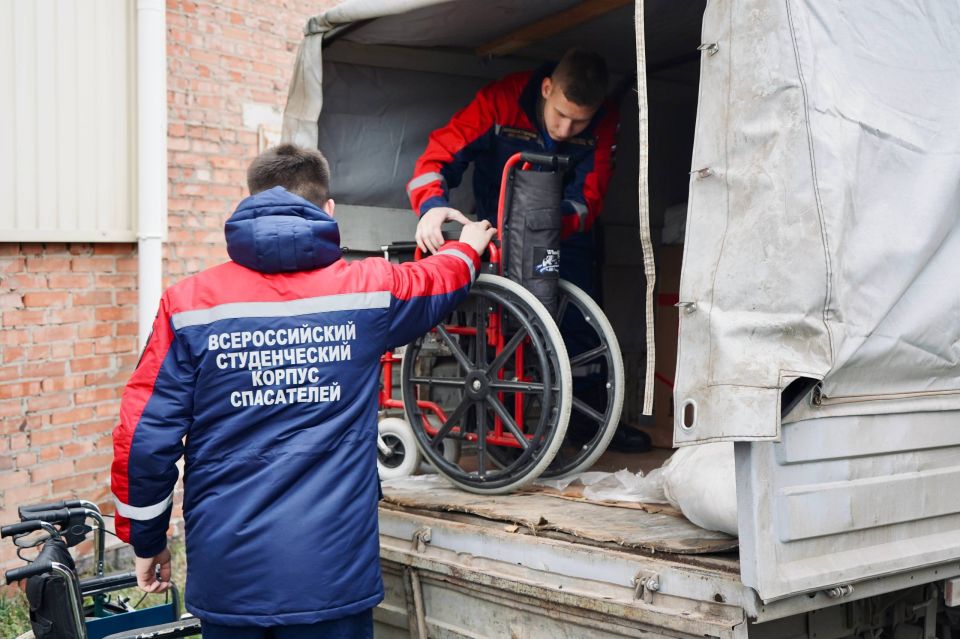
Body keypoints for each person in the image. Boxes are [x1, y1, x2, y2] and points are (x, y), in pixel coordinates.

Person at [111, 143, 495, 638]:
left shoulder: (188, 306)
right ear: (328, 210)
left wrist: (146, 539)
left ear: (247, 203)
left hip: (231, 579)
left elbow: (144, 437)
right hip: (331, 580)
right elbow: (436, 280)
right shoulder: (370, 290)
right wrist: (467, 245)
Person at [408, 47, 650, 452]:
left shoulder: (606, 119)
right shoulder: (499, 102)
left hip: (564, 237)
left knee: (579, 326)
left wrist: (548, 225)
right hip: (497, 233)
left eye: (579, 121)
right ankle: (500, 430)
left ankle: (587, 426)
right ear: (546, 87)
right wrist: (432, 209)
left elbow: (590, 197)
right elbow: (436, 158)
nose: (567, 129)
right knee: (500, 330)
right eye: (560, 114)